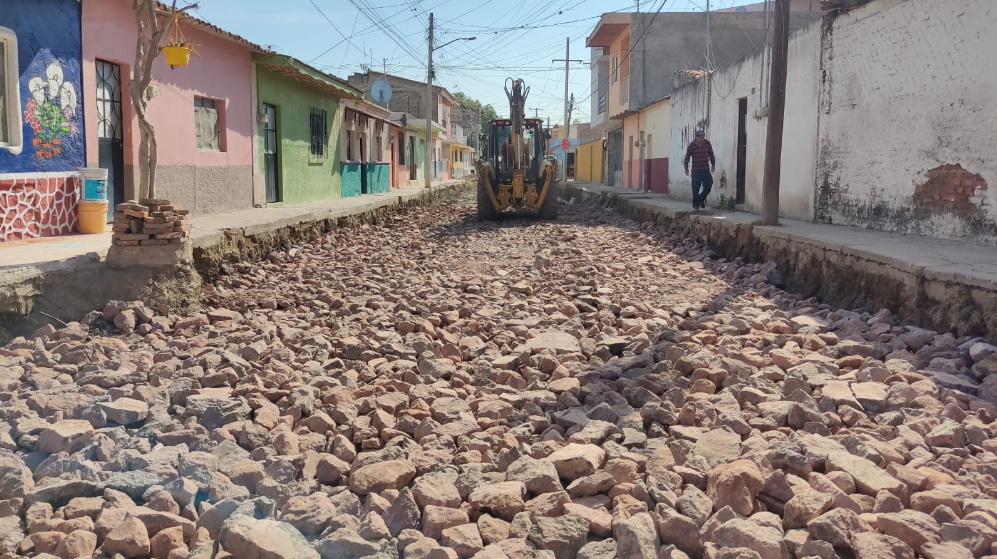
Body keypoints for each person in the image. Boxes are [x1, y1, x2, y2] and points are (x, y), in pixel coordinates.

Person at [684, 129, 716, 210]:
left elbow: (711, 154)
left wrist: (713, 164)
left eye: (702, 138)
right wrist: (686, 168)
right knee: (695, 188)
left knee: (709, 185)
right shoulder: (691, 146)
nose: (701, 140)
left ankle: (700, 198)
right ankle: (696, 205)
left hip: (705, 169)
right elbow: (687, 157)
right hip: (696, 171)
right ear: (696, 138)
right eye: (700, 139)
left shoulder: (707, 144)